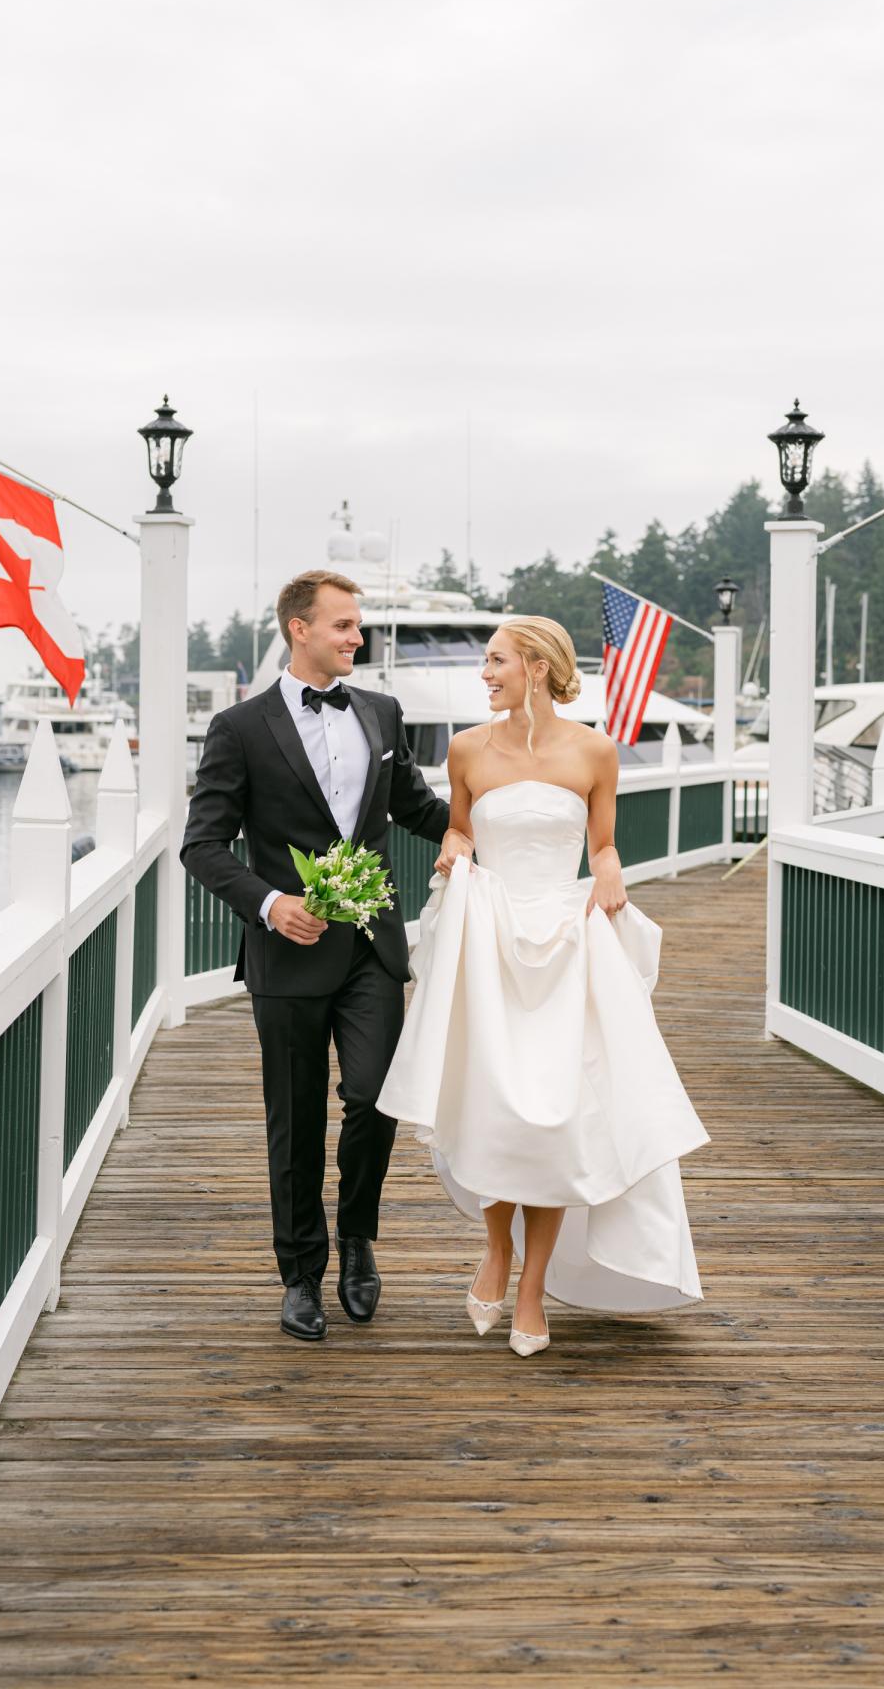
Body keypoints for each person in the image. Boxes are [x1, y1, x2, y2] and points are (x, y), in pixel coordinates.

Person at [376, 615, 709, 1356]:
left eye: (495, 662)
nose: (485, 674)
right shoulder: (466, 749)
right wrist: (455, 848)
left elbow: (602, 842)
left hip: (564, 942)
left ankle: (534, 1284)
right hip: (490, 942)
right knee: (496, 1106)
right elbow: (460, 828)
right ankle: (496, 1249)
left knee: (558, 1118)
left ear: (534, 664)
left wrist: (614, 864)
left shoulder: (595, 750)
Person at [180, 569, 473, 1342]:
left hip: (373, 945)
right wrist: (272, 905)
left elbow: (414, 805)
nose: (358, 638)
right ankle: (301, 1274)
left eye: (359, 625)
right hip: (287, 955)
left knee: (376, 1098)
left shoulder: (380, 711)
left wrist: (477, 828)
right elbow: (202, 845)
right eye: (344, 625)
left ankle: (358, 1241)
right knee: (295, 1121)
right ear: (299, 630)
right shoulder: (239, 729)